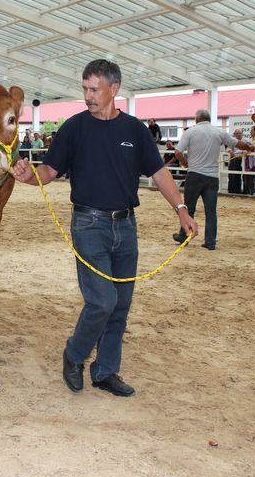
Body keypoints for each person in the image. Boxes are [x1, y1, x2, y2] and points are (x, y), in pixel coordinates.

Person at [11, 59, 197, 398]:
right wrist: (29, 176)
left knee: (121, 305)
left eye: (94, 89)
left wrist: (181, 209)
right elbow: (49, 172)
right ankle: (74, 354)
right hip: (88, 225)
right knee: (102, 301)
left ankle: (106, 371)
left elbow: (159, 173)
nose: (88, 96)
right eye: (84, 88)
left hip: (126, 227)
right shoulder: (74, 128)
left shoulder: (135, 130)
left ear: (115, 89)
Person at [172, 109, 252, 251]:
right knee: (211, 211)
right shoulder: (219, 132)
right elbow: (237, 144)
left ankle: (184, 236)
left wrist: (185, 162)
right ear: (209, 119)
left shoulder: (190, 132)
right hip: (212, 177)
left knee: (189, 208)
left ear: (197, 119)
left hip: (195, 175)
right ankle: (210, 242)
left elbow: (177, 152)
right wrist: (249, 146)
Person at [226, 129, 246, 194]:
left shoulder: (245, 141)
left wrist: (243, 151)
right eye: (236, 133)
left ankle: (237, 191)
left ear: (242, 134)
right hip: (233, 159)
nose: (237, 135)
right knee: (231, 175)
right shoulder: (232, 141)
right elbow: (228, 148)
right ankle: (231, 190)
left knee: (238, 176)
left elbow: (249, 148)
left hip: (241, 159)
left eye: (239, 133)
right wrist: (230, 150)